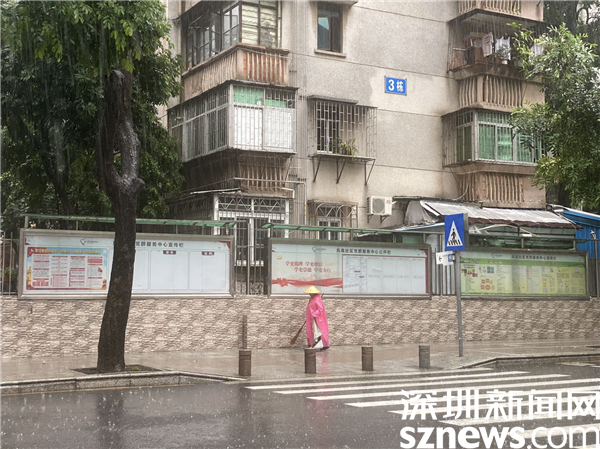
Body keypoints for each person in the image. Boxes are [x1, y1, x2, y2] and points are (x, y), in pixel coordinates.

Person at [304, 286, 329, 350]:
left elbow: (320, 308)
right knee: (312, 331)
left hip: (317, 318)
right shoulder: (311, 299)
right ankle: (312, 344)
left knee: (319, 331)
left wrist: (315, 314)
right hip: (311, 318)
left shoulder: (317, 299)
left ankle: (324, 345)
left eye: (310, 293)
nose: (309, 294)